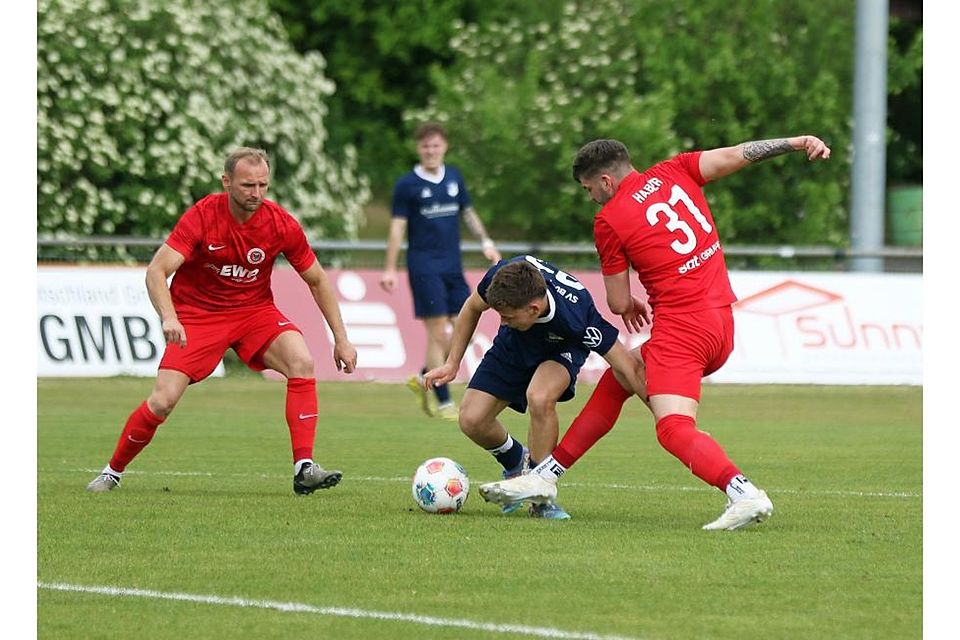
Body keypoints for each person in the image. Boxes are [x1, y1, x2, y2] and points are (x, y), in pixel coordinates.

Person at [479, 135, 831, 530]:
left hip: (683, 329)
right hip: (720, 322)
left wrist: (629, 304)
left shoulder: (609, 221)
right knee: (619, 379)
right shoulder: (676, 170)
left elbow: (615, 300)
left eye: (589, 188)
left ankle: (744, 493)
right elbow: (738, 154)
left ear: (606, 182)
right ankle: (544, 477)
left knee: (673, 429)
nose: (591, 197)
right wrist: (796, 142)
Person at [86, 147, 358, 495]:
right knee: (163, 400)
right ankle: (112, 472)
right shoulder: (202, 216)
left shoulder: (280, 224)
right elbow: (157, 271)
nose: (256, 194)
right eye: (247, 185)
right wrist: (170, 317)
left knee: (302, 361)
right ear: (226, 182)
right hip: (198, 316)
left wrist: (342, 338)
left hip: (253, 312)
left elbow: (317, 280)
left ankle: (304, 468)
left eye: (263, 185)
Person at [423, 255, 644, 519]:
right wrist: (452, 364)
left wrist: (665, 415)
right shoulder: (504, 277)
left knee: (539, 397)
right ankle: (516, 461)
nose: (501, 321)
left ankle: (541, 495)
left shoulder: (578, 315)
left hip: (562, 347)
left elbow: (627, 367)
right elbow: (472, 307)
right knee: (471, 420)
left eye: (507, 316)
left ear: (534, 309)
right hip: (515, 344)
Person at [380, 122, 501, 422]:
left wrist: (485, 241)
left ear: (444, 146)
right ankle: (444, 400)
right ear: (419, 149)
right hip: (423, 266)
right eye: (425, 146)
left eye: (436, 145)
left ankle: (424, 376)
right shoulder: (407, 185)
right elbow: (397, 228)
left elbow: (468, 213)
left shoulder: (454, 177)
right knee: (437, 333)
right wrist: (390, 268)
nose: (431, 151)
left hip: (452, 266)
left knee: (466, 327)